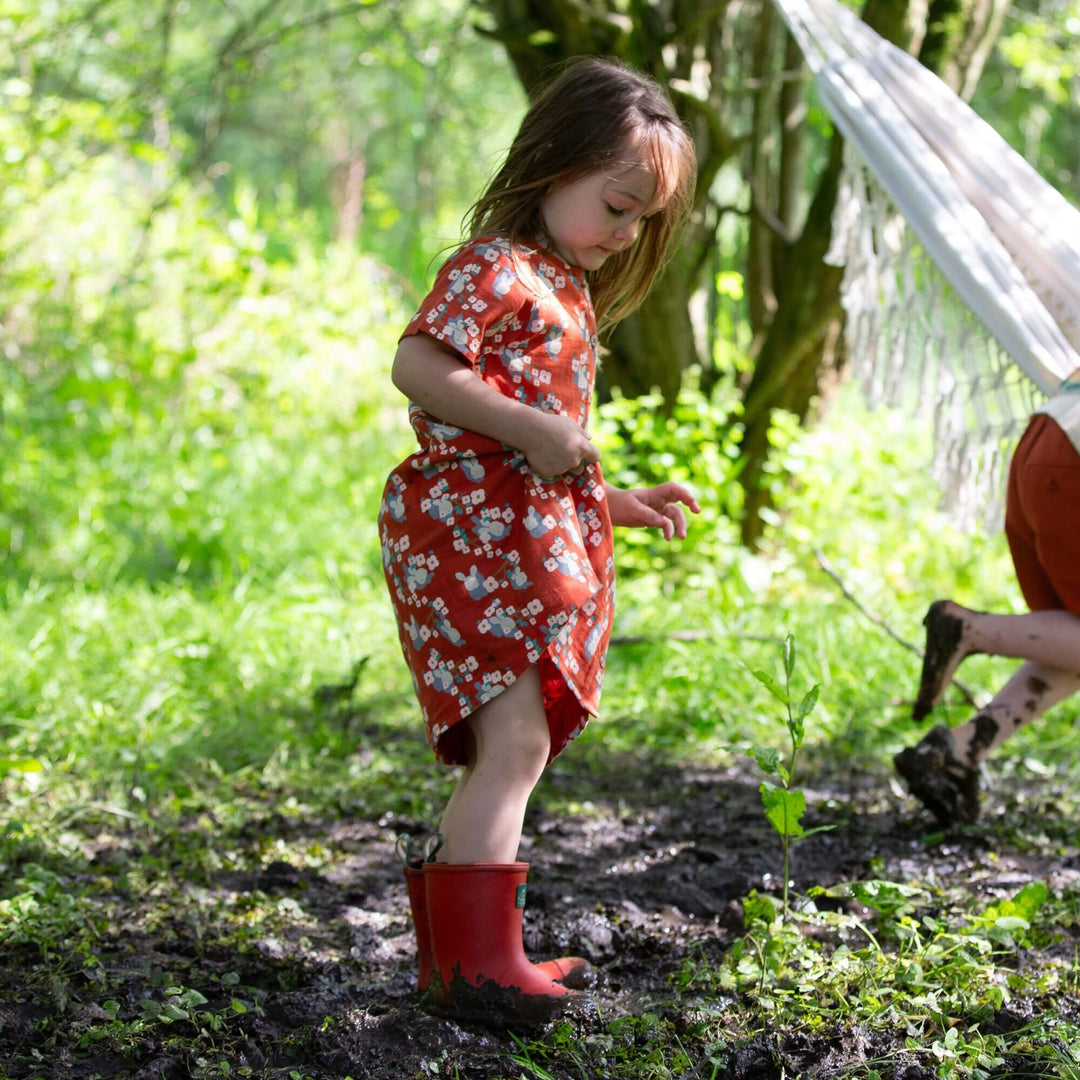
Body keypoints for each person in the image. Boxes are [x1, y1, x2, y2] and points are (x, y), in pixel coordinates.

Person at [377, 57, 700, 1022]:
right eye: (618, 203)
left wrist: (614, 500)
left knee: (507, 749)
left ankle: (460, 959)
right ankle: (479, 969)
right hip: (466, 542)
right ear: (554, 162)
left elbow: (534, 456)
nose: (628, 230)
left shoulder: (557, 280)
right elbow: (419, 366)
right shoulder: (494, 266)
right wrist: (537, 431)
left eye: (644, 217)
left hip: (507, 534)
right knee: (513, 743)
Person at [895, 365, 1080, 827]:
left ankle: (957, 751)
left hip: (1047, 437)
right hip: (1070, 461)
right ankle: (969, 630)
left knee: (1070, 635)